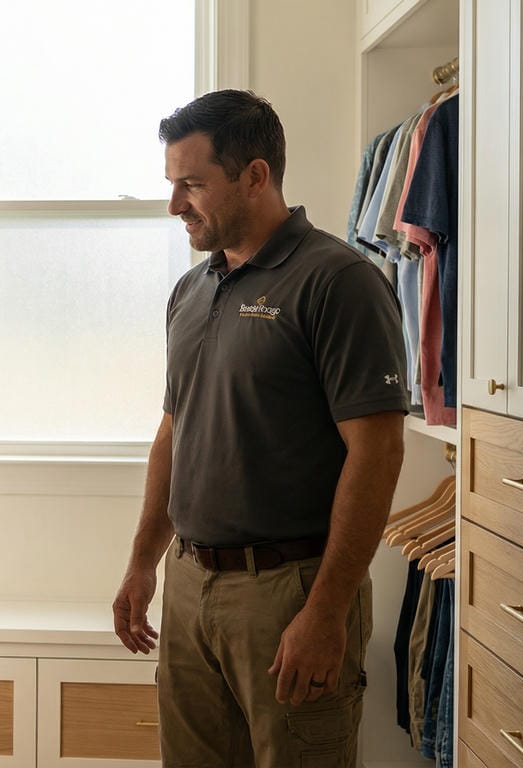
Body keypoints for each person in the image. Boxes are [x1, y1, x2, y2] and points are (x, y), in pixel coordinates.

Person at [112, 90, 407, 767]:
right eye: (171, 184)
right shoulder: (191, 291)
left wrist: (327, 611)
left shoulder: (339, 282)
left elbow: (378, 452)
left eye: (192, 184)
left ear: (255, 176)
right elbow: (172, 434)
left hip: (289, 592)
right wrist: (142, 563)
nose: (174, 205)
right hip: (190, 584)